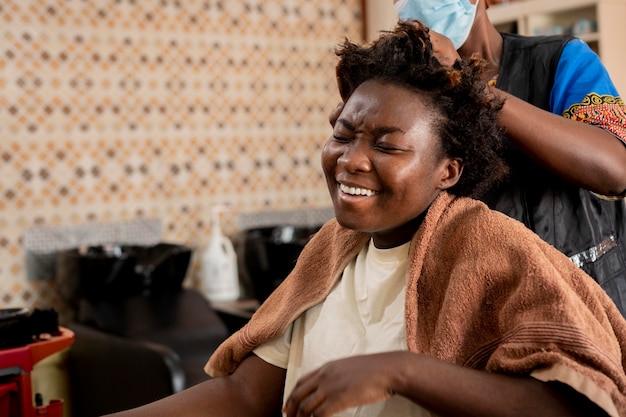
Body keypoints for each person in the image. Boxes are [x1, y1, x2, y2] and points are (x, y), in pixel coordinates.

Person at [106, 22, 626, 417]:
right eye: (342, 134)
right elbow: (244, 393)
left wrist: (402, 372)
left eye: (386, 144)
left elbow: (580, 402)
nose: (351, 159)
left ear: (448, 170)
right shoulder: (331, 251)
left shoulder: (486, 245)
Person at [360, 0, 626, 317]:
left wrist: (472, 85)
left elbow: (615, 170)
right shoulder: (419, 88)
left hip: (583, 299)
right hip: (478, 307)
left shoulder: (559, 59)